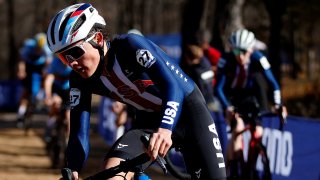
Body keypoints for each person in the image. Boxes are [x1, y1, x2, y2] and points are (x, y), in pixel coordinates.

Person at [47, 3, 226, 180]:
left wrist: (165, 128)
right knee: (113, 172)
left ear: (98, 39)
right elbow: (79, 131)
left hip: (188, 111)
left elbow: (173, 87)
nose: (72, 63)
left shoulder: (130, 47)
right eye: (64, 57)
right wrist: (73, 169)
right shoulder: (79, 79)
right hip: (149, 122)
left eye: (76, 52)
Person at [215, 29, 287, 176]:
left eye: (244, 52)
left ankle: (250, 170)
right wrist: (227, 107)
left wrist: (278, 104)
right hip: (232, 99)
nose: (240, 56)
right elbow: (218, 88)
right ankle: (231, 166)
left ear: (251, 49)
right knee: (238, 128)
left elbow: (274, 84)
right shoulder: (226, 59)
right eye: (236, 52)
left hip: (251, 99)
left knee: (258, 132)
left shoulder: (258, 58)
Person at [16, 32, 53, 128]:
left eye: (39, 49)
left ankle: (38, 97)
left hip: (39, 67)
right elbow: (22, 61)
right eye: (37, 48)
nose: (38, 50)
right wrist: (21, 71)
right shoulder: (28, 46)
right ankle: (20, 114)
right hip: (29, 66)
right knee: (25, 91)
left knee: (44, 80)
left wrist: (45, 72)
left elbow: (48, 63)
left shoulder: (46, 49)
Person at [43, 57, 72, 145]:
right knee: (55, 105)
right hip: (57, 89)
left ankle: (69, 142)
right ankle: (49, 129)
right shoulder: (54, 63)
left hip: (68, 90)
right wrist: (48, 96)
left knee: (69, 116)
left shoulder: (74, 62)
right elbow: (49, 80)